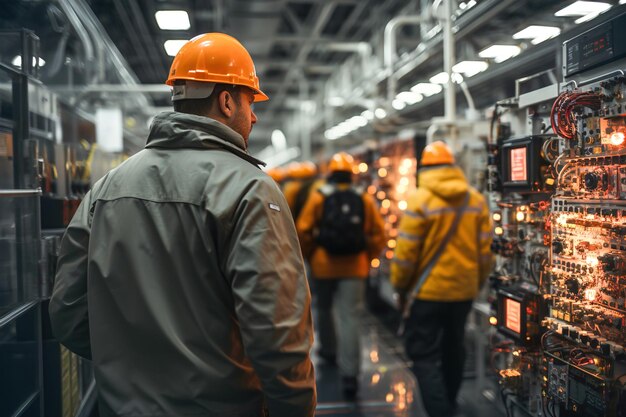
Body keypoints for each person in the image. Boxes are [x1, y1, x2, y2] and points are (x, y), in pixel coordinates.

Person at [49, 33, 316, 417]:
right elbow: (278, 335)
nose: (254, 114)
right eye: (249, 100)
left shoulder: (106, 189)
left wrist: (129, 362)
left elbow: (68, 311)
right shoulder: (249, 189)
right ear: (226, 101)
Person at [390, 141, 493, 417]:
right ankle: (451, 401)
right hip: (463, 292)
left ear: (424, 168)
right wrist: (476, 283)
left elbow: (406, 254)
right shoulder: (475, 200)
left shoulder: (419, 200)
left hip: (427, 293)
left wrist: (399, 287)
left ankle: (440, 411)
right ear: (452, 166)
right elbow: (486, 253)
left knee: (423, 353)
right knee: (454, 348)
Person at [297, 152, 386, 399]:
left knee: (323, 309)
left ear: (330, 173)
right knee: (351, 317)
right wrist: (366, 259)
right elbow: (379, 235)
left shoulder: (319, 196)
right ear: (351, 174)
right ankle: (350, 375)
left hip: (323, 265)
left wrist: (312, 255)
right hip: (354, 268)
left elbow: (302, 230)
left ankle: (328, 351)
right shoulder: (363, 199)